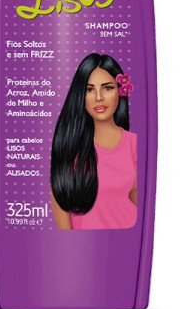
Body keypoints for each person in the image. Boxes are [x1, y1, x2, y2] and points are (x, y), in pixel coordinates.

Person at [50, 53, 138, 230]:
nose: (99, 97)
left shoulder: (135, 144)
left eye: (107, 88)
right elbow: (63, 223)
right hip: (83, 244)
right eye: (89, 90)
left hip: (127, 239)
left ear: (120, 91)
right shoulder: (69, 148)